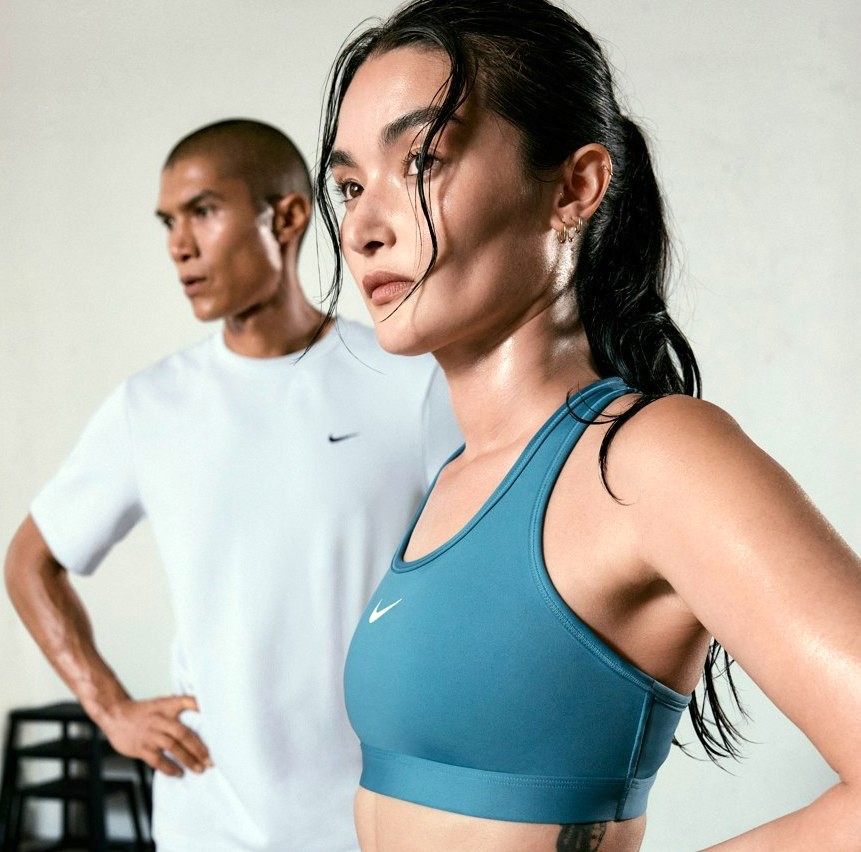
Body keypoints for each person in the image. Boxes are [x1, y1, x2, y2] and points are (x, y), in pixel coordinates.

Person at [314, 1, 861, 850]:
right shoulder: (458, 475)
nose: (360, 227)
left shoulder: (651, 459)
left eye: (420, 161)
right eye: (350, 186)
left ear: (573, 188)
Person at [4, 118, 461, 852]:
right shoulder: (151, 405)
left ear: (286, 217)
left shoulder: (409, 383)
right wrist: (111, 709)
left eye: (204, 211)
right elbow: (30, 562)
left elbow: (483, 584)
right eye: (168, 222)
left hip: (372, 815)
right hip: (206, 817)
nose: (179, 245)